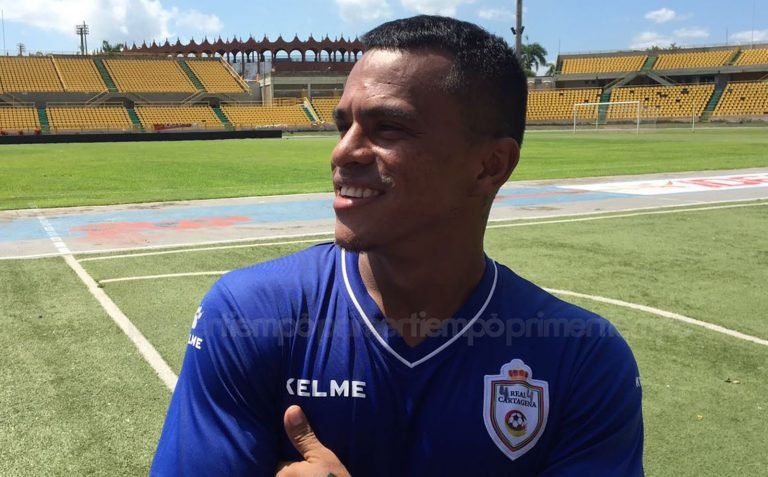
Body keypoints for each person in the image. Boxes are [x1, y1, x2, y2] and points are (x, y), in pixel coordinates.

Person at [151, 15, 643, 477]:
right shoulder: (246, 315)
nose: (342, 152)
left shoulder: (582, 358)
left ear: (490, 166)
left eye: (388, 127)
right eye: (344, 125)